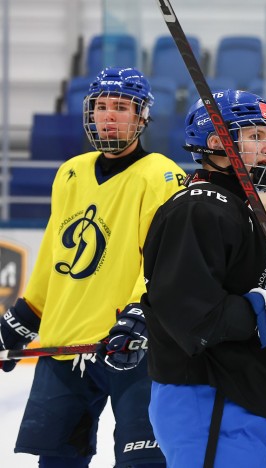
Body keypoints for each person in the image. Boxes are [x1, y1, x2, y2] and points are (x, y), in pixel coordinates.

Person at [0, 66, 186, 468]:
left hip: (133, 347)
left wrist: (141, 313)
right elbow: (55, 254)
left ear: (141, 117)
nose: (108, 115)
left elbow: (167, 259)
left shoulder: (162, 176)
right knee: (56, 461)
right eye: (101, 106)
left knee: (144, 462)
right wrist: (24, 316)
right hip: (65, 344)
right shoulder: (70, 172)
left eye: (121, 107)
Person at [141, 89, 266, 467]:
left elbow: (260, 327)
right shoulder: (197, 210)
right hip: (205, 399)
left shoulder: (245, 210)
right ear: (216, 143)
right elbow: (191, 319)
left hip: (242, 398)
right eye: (255, 136)